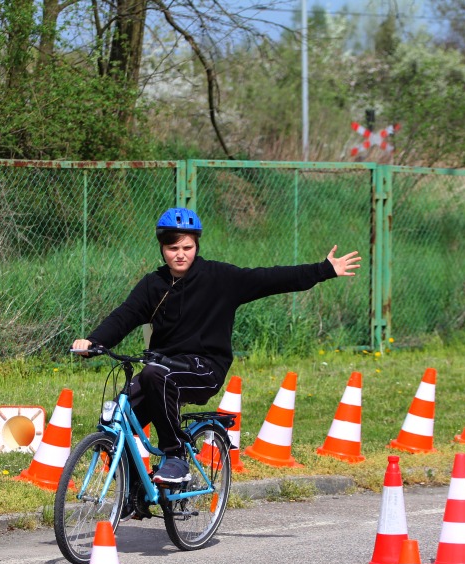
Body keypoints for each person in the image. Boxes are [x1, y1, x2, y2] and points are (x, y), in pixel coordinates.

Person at [72, 207, 360, 486]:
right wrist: (94, 342)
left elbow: (270, 278)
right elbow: (125, 315)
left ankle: (175, 457)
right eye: (173, 248)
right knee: (118, 415)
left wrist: (324, 269)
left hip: (204, 368)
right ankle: (135, 490)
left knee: (152, 376)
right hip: (164, 367)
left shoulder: (220, 278)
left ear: (196, 245)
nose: (180, 254)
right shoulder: (153, 285)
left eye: (186, 247)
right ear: (162, 249)